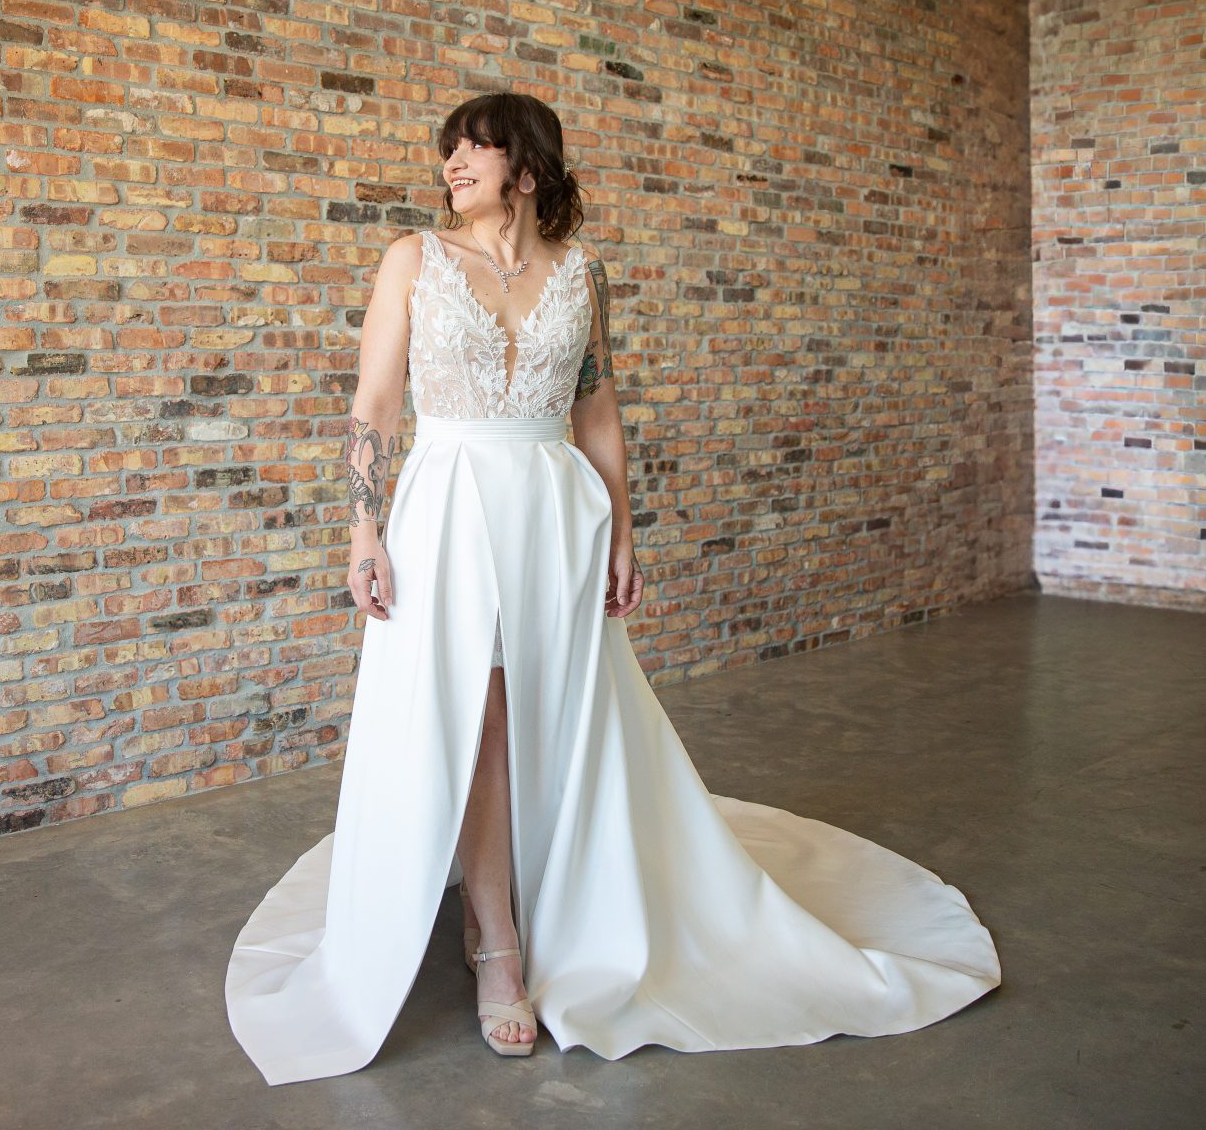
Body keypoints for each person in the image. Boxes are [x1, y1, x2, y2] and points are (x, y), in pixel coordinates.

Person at [225, 92, 1001, 1086]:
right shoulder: (413, 261)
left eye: (476, 146)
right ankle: (496, 935)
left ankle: (529, 899)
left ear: (530, 164)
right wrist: (362, 526)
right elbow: (375, 403)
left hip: (555, 511)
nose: (453, 162)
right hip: (451, 508)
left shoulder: (581, 277)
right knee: (476, 716)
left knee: (548, 713)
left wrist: (624, 532)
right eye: (449, 150)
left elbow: (598, 414)